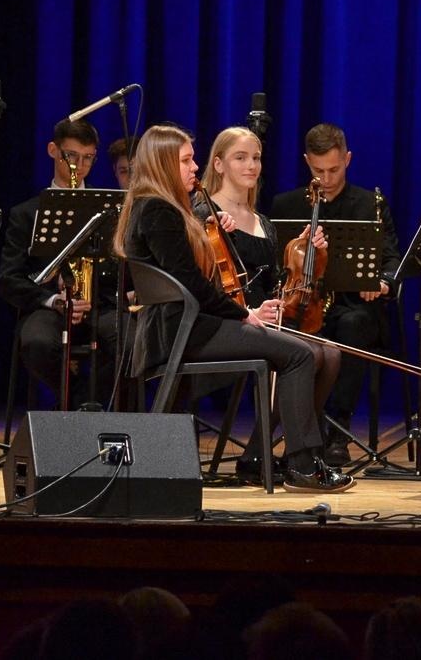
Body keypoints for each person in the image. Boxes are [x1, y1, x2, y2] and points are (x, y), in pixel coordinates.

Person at [117, 124, 352, 491]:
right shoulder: (160, 211)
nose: (195, 168)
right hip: (183, 330)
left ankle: (284, 461)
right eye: (186, 160)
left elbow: (198, 277)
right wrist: (246, 314)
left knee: (304, 352)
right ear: (163, 163)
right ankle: (303, 465)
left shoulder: (162, 208)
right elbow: (193, 287)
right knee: (299, 355)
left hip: (192, 325)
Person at [201, 126, 341, 477]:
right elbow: (206, 282)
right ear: (218, 164)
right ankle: (301, 459)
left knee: (332, 354)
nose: (252, 165)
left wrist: (304, 248)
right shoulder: (205, 213)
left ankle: (257, 454)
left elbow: (273, 281)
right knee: (309, 354)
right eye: (241, 158)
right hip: (230, 321)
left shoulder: (262, 220)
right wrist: (249, 310)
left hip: (268, 317)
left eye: (257, 158)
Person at [269, 123, 402, 463]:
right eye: (317, 171)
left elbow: (391, 260)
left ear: (348, 159)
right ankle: (300, 429)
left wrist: (382, 282)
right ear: (306, 162)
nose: (326, 179)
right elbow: (273, 265)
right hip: (301, 303)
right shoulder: (285, 205)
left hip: (349, 306)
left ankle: (337, 427)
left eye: (334, 169)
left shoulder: (369, 204)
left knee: (355, 324)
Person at [0, 119, 120, 405]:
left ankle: (86, 403)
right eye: (72, 156)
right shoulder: (26, 213)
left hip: (99, 304)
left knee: (132, 341)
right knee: (36, 342)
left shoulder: (110, 210)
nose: (80, 166)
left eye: (88, 158)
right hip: (50, 306)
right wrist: (53, 300)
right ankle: (81, 400)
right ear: (53, 150)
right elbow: (9, 278)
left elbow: (120, 268)